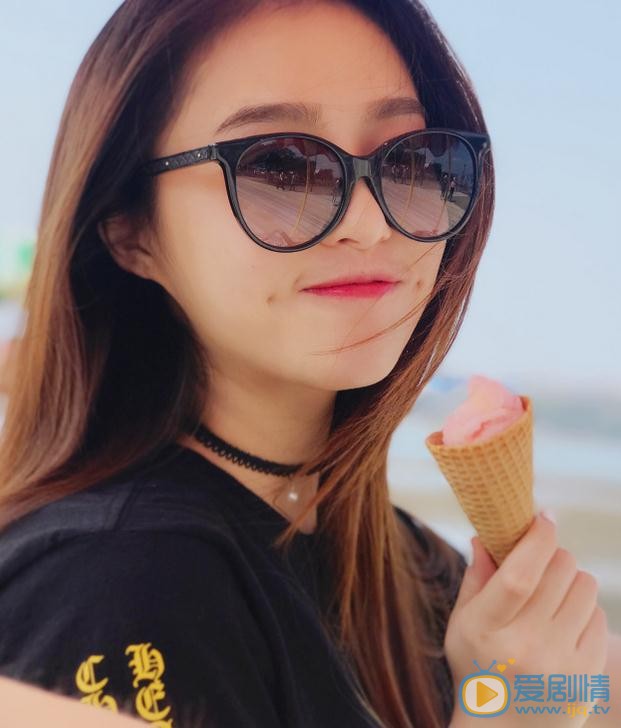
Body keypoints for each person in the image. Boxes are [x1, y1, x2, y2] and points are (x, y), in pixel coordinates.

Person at [0, 1, 617, 727]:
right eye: (281, 168)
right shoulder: (116, 585)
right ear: (131, 230)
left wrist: (542, 683)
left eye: (413, 161)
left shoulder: (411, 565)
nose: (370, 223)